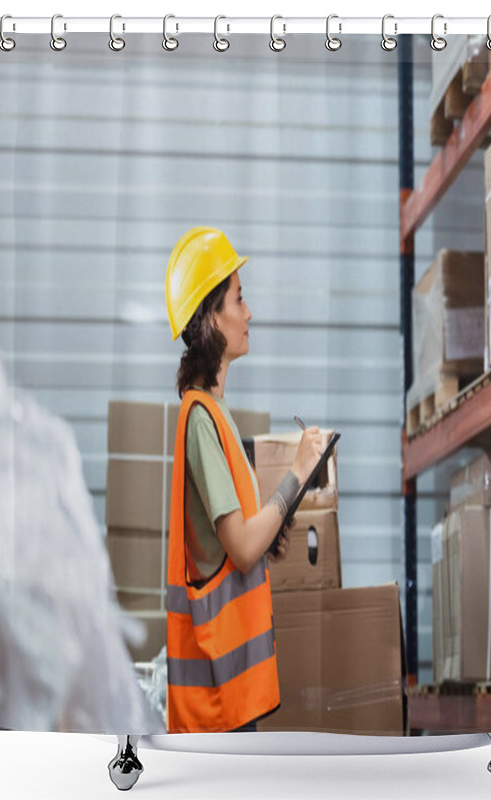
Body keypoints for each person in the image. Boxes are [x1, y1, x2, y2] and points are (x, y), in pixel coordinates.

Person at [164, 226, 325, 733]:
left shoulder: (215, 413)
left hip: (230, 693)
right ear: (214, 317)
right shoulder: (201, 418)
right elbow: (239, 547)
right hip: (217, 700)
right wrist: (298, 472)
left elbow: (236, 546)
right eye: (239, 298)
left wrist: (268, 536)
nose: (249, 312)